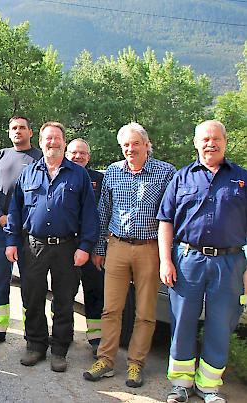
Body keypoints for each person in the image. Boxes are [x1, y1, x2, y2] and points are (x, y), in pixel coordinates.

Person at [158, 120, 246, 403]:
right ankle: (180, 384)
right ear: (195, 143)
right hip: (187, 260)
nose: (211, 143)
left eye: (216, 138)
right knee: (182, 321)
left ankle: (209, 386)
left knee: (221, 323)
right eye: (205, 139)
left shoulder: (242, 179)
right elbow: (166, 221)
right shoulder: (181, 178)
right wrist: (165, 261)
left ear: (225, 141)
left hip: (230, 262)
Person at [84, 122, 175, 387]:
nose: (130, 149)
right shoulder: (113, 171)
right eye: (126, 145)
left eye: (136, 143)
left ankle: (136, 364)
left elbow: (172, 215)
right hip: (117, 246)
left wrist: (167, 255)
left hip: (149, 248)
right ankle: (106, 360)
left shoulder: (166, 172)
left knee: (145, 311)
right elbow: (103, 212)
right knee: (111, 308)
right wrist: (100, 249)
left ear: (147, 145)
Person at [6, 122, 98, 372]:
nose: (53, 142)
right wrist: (12, 240)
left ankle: (59, 350)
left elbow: (90, 214)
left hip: (67, 247)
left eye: (57, 138)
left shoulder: (78, 175)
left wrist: (85, 247)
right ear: (41, 142)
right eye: (48, 138)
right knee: (32, 297)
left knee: (64, 301)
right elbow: (15, 209)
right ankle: (35, 345)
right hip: (33, 246)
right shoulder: (29, 172)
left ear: (64, 142)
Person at [0, 116, 43, 347]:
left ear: (31, 132)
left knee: (30, 283)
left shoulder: (39, 157)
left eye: (22, 128)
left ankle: (32, 334)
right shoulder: (1, 155)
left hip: (28, 232)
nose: (18, 131)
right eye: (14, 128)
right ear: (9, 133)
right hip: (1, 228)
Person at [65, 138, 105, 356]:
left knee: (95, 292)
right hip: (66, 245)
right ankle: (64, 333)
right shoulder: (60, 174)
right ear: (66, 153)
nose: (78, 156)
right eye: (73, 153)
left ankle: (96, 337)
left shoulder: (99, 179)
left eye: (82, 153)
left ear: (88, 157)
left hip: (91, 246)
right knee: (64, 291)